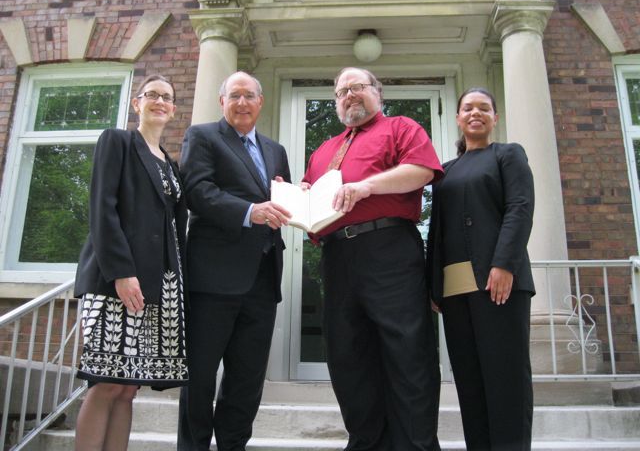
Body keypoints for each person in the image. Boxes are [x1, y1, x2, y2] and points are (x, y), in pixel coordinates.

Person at [301, 67, 443, 451]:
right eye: (342, 91)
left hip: (389, 248)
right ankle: (366, 441)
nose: (350, 95)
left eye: (358, 87)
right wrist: (295, 197)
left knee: (407, 351)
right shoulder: (323, 152)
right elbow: (312, 205)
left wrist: (365, 187)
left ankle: (415, 444)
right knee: (347, 354)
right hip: (338, 256)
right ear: (336, 103)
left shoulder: (401, 128)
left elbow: (421, 171)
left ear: (377, 93)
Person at [177, 71, 292, 451]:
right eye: (234, 95)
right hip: (213, 279)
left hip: (262, 278)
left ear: (261, 102)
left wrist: (298, 198)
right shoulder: (204, 136)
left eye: (249, 96)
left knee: (246, 379)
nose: (242, 103)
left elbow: (281, 200)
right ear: (221, 101)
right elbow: (197, 190)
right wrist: (249, 212)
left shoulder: (276, 150)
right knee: (200, 376)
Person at [74, 75, 188, 451]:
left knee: (127, 388)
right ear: (137, 103)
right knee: (105, 381)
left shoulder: (170, 164)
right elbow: (102, 208)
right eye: (152, 94)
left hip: (159, 287)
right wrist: (121, 272)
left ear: (173, 109)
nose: (160, 101)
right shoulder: (118, 141)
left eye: (167, 97)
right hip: (117, 281)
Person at [426, 87, 535, 451]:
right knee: (470, 383)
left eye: (484, 108)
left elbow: (520, 208)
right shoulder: (445, 171)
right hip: (455, 291)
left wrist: (504, 263)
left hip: (499, 283)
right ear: (458, 118)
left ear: (494, 117)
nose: (476, 113)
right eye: (468, 108)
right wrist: (433, 286)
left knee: (506, 380)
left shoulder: (508, 155)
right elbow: (436, 232)